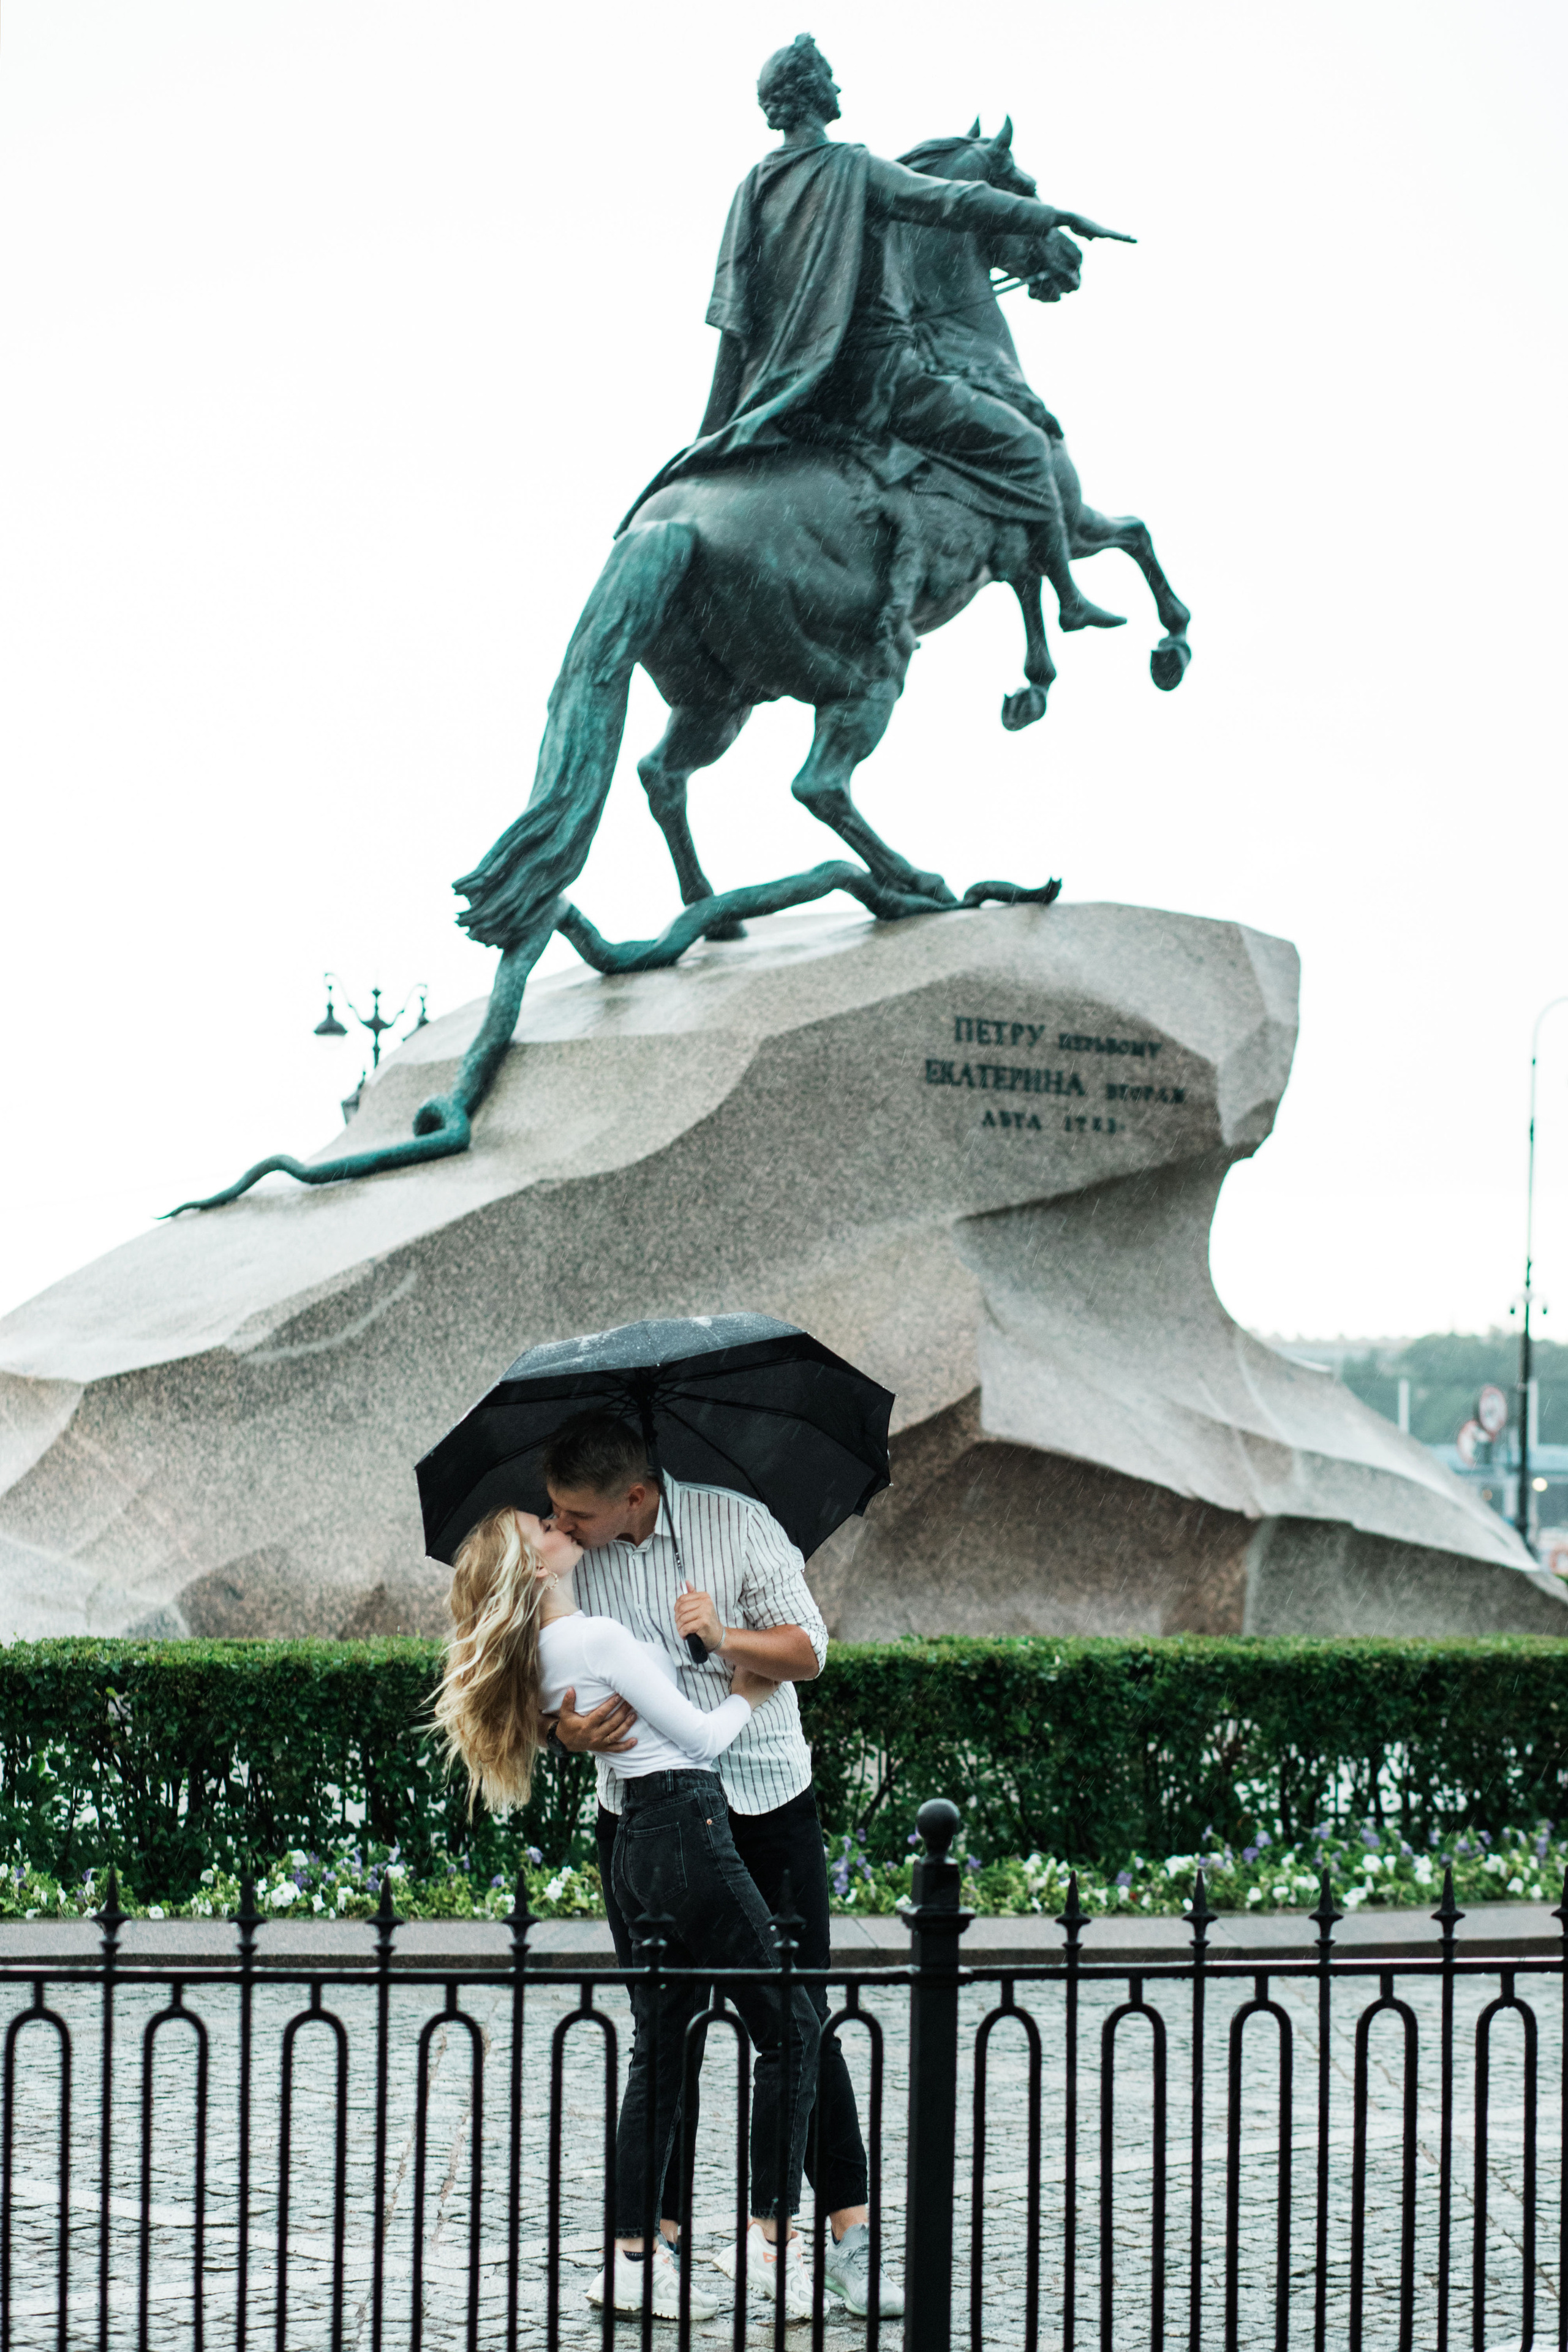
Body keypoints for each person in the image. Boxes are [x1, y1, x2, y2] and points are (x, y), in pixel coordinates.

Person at [545, 1412, 901, 2323]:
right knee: (669, 2032)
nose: (562, 1528)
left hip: (764, 1804)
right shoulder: (578, 1562)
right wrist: (564, 1732)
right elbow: (537, 1682)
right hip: (650, 1819)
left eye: (574, 1513)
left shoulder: (736, 1524)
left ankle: (848, 2242)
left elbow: (809, 1651)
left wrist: (724, 1637)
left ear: (632, 1496)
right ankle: (652, 2250)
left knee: (800, 2024)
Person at [434, 1502, 817, 2324]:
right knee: (794, 2029)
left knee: (662, 2052)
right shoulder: (595, 1640)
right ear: (538, 1567)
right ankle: (769, 2236)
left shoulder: (538, 1653)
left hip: (634, 1846)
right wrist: (752, 1687)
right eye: (541, 1527)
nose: (553, 1522)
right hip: (687, 1827)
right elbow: (706, 1741)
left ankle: (633, 2257)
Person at [631, 32, 1133, 635]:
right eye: (832, 81)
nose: (839, 89)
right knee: (1025, 445)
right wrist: (1054, 216)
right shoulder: (852, 167)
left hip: (790, 390)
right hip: (878, 381)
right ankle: (1069, 599)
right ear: (813, 94)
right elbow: (954, 202)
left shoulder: (755, 185)